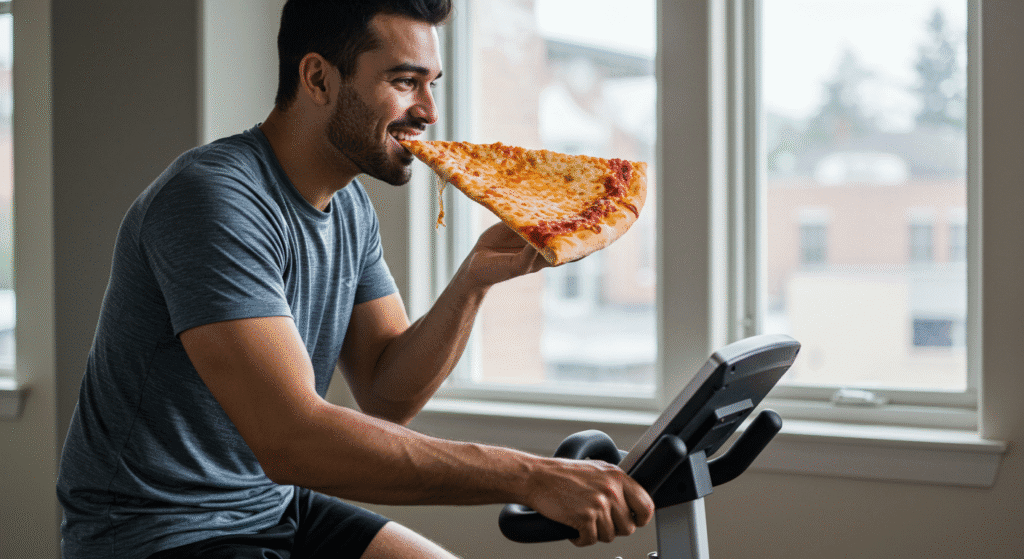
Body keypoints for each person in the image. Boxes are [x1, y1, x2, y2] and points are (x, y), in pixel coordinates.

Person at [55, 1, 655, 558]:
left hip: (271, 503)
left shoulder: (347, 207)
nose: (428, 111)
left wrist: (474, 279)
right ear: (318, 79)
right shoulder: (213, 200)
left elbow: (386, 393)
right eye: (404, 82)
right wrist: (531, 475)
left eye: (431, 84)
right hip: (154, 531)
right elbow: (291, 438)